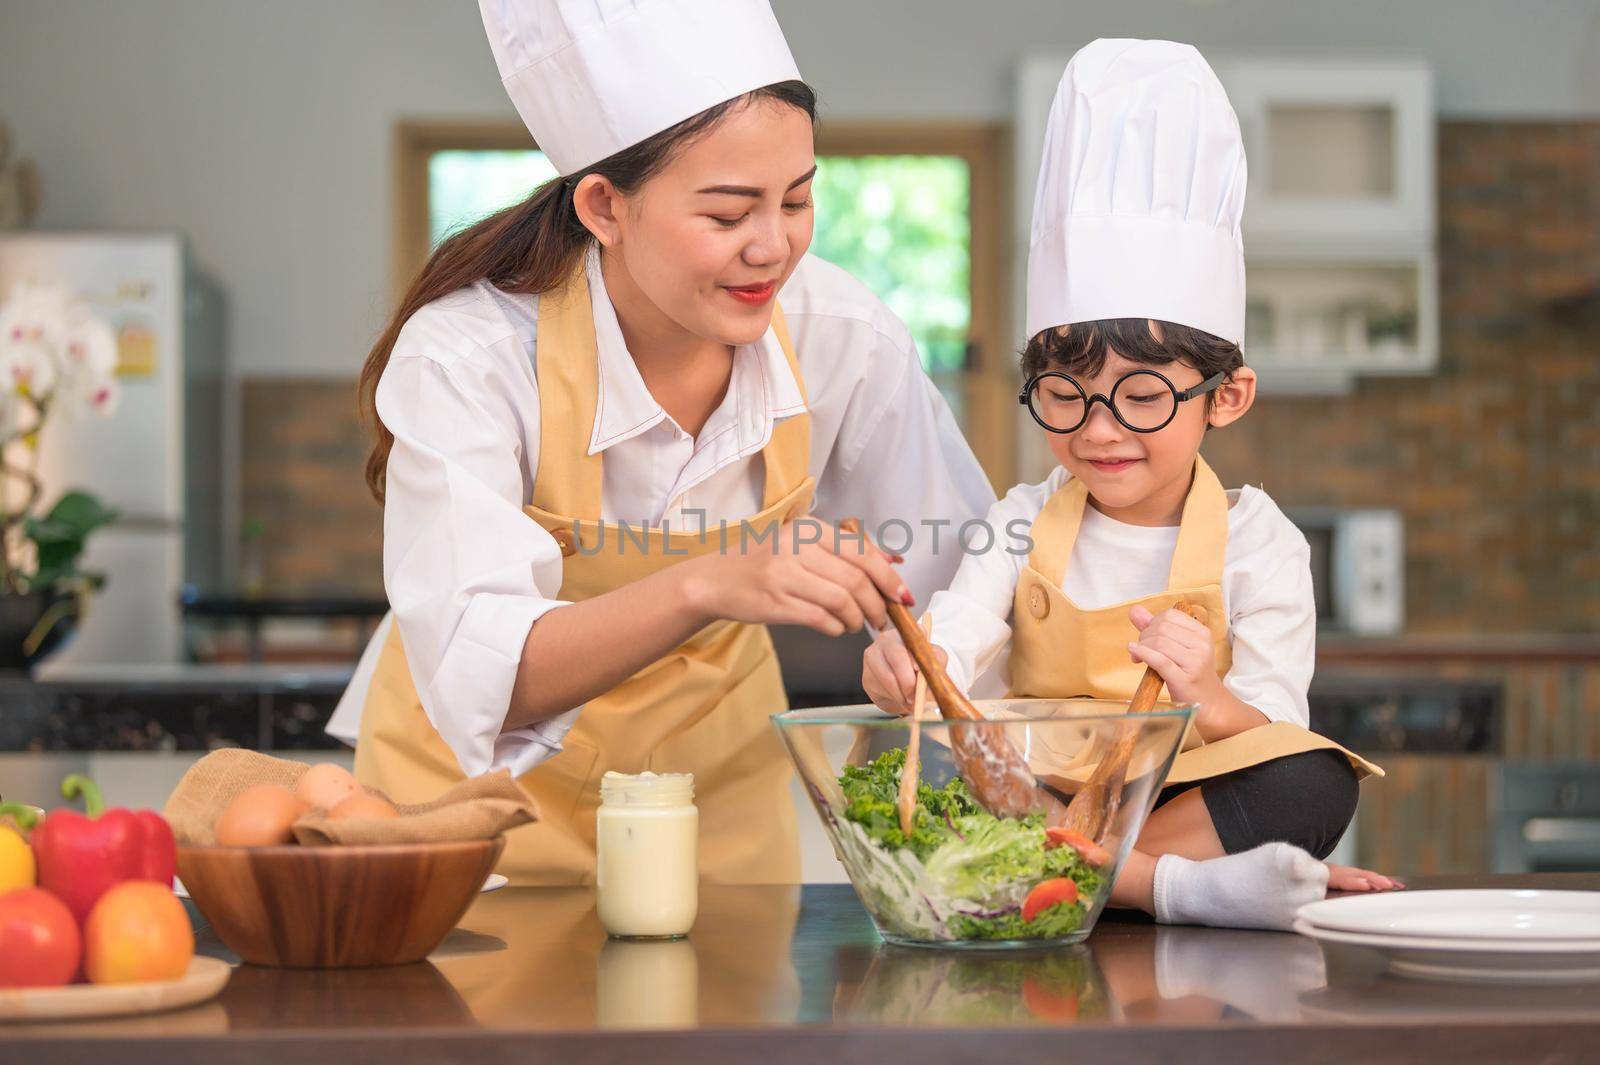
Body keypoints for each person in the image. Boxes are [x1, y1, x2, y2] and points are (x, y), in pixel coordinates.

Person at [329, 0, 994, 884]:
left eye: (796, 200)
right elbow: (492, 674)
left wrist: (929, 647)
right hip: (469, 808)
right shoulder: (472, 359)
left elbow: (967, 574)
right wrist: (714, 580)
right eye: (727, 215)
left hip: (711, 806)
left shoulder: (842, 337)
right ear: (605, 206)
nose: (774, 246)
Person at [861, 39, 1400, 930]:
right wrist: (912, 671)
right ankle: (1168, 891)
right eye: (1065, 398)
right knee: (922, 763)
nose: (1098, 430)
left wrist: (1208, 700)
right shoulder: (1021, 519)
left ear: (1225, 397)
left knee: (1313, 779)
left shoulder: (1256, 537)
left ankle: (1071, 878)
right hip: (1026, 794)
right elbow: (952, 638)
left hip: (1165, 806)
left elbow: (1273, 725)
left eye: (1142, 397)